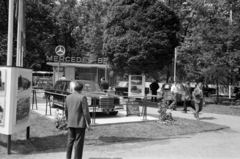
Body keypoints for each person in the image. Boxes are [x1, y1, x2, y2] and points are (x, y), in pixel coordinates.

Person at [65, 82, 91, 159]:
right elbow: (86, 112)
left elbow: (66, 110)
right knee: (78, 143)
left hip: (70, 122)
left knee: (70, 141)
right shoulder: (82, 97)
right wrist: (88, 123)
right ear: (81, 89)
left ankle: (68, 158)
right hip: (79, 123)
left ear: (74, 88)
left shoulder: (68, 97)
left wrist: (67, 120)